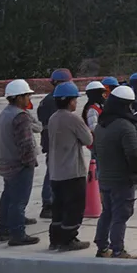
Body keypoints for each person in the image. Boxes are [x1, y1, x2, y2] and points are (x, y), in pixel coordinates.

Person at [94, 85, 137, 259]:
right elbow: (133, 154)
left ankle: (102, 247)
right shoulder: (125, 126)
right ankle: (117, 249)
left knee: (106, 212)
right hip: (122, 179)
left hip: (105, 177)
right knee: (121, 215)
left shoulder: (101, 125)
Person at [47, 82, 94, 252]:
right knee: (74, 207)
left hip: (55, 172)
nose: (76, 103)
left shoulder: (53, 118)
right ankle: (68, 239)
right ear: (68, 101)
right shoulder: (73, 119)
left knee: (58, 208)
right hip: (72, 171)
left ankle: (55, 239)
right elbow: (88, 139)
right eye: (74, 100)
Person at [0, 80, 40, 246]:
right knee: (19, 201)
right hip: (19, 164)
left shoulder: (5, 113)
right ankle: (17, 234)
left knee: (8, 196)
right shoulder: (20, 116)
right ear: (19, 97)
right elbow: (26, 144)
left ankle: (5, 229)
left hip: (6, 162)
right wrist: (30, 163)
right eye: (27, 95)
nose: (29, 99)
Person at [37, 68, 73, 219]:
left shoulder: (48, 99)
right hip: (54, 142)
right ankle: (48, 204)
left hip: (50, 140)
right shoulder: (54, 101)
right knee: (52, 172)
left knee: (53, 171)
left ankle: (52, 201)